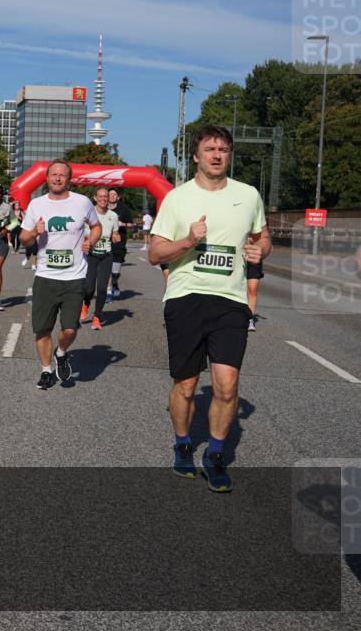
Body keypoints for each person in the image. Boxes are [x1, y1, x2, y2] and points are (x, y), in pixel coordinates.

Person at [148, 124, 271, 493]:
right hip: (186, 297)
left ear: (229, 156)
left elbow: (262, 237)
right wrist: (188, 240)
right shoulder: (177, 198)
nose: (217, 155)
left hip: (231, 301)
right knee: (186, 386)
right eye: (210, 149)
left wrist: (259, 250)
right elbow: (155, 253)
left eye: (223, 149)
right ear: (197, 156)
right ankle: (183, 442)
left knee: (227, 384)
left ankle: (215, 455)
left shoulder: (248, 196)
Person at [19, 160, 101, 389]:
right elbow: (23, 239)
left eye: (62, 175)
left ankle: (62, 351)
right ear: (46, 178)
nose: (57, 178)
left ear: (69, 178)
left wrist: (90, 241)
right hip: (45, 276)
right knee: (42, 329)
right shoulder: (36, 205)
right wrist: (35, 232)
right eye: (53, 175)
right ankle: (46, 371)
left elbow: (96, 227)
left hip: (74, 276)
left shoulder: (82, 202)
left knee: (69, 328)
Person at [81, 187, 120, 330]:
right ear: (95, 198)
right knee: (89, 288)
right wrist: (87, 241)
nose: (103, 199)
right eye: (101, 196)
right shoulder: (88, 214)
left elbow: (114, 234)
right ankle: (85, 303)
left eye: (106, 196)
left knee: (102, 288)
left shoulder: (113, 216)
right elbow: (81, 232)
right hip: (91, 254)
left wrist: (116, 237)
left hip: (106, 255)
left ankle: (96, 317)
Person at [107, 189, 133, 301]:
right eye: (110, 194)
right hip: (104, 241)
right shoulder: (102, 208)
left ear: (117, 197)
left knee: (115, 270)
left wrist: (124, 224)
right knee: (107, 268)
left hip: (119, 242)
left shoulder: (123, 210)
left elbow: (131, 225)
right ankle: (108, 292)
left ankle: (115, 282)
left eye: (114, 194)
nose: (112, 196)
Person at [246, 262, 263, 331]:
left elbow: (269, 250)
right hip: (237, 259)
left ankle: (249, 320)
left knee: (252, 289)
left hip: (252, 261)